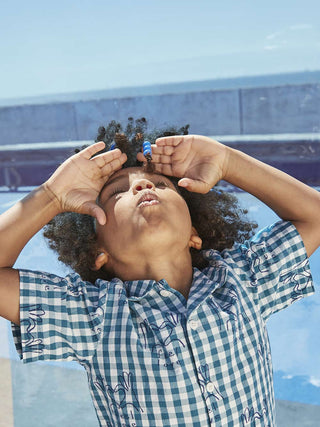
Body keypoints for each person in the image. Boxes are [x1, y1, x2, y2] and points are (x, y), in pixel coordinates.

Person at [0, 118, 319, 427]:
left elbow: (314, 217)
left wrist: (227, 161)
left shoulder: (241, 280)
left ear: (194, 232)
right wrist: (53, 196)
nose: (142, 185)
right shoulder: (92, 317)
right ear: (98, 251)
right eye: (116, 194)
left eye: (162, 184)